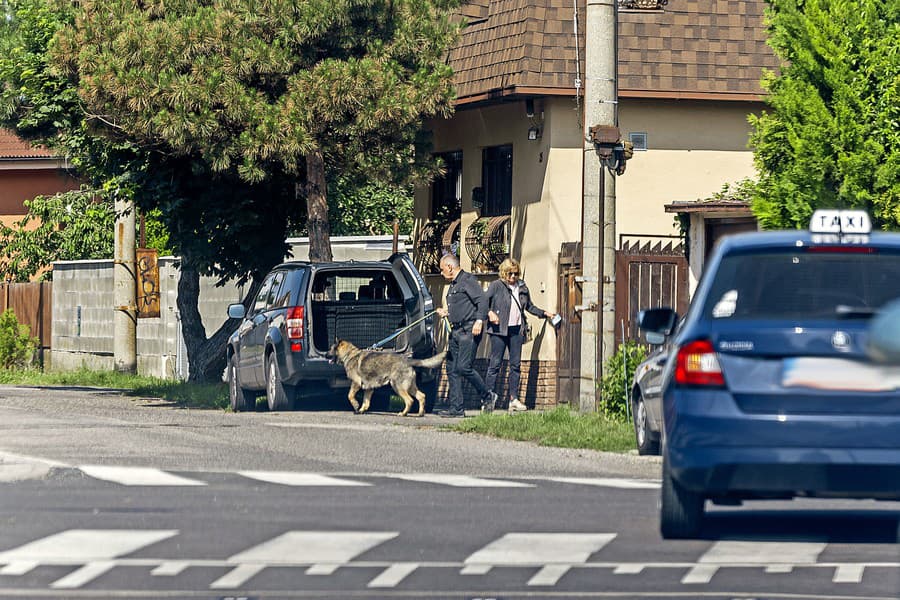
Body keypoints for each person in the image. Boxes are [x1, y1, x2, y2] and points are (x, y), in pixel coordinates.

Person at [485, 257, 554, 412]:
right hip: (498, 330)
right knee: (495, 365)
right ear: (504, 273)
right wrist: (489, 313)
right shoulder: (496, 286)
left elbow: (529, 306)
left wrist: (544, 313)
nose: (513, 277)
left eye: (515, 274)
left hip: (516, 330)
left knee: (515, 365)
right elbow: (483, 303)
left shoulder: (522, 287)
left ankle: (513, 399)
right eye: (510, 274)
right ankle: (488, 398)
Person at [435, 254, 499, 417]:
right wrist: (447, 313)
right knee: (452, 369)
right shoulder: (454, 284)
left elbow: (482, 301)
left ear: (449, 267)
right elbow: (464, 306)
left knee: (463, 367)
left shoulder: (467, 280)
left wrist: (479, 321)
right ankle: (456, 408)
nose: (441, 274)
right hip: (456, 330)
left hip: (469, 330)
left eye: (442, 270)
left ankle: (487, 395)